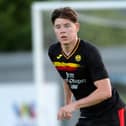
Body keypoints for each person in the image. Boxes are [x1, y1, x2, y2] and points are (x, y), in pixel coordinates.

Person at [48, 7, 126, 126]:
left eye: (67, 25)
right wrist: (67, 103)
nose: (62, 31)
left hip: (111, 113)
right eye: (58, 27)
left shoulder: (89, 52)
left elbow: (105, 91)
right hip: (88, 114)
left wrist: (74, 105)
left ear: (77, 27)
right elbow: (67, 77)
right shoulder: (54, 51)